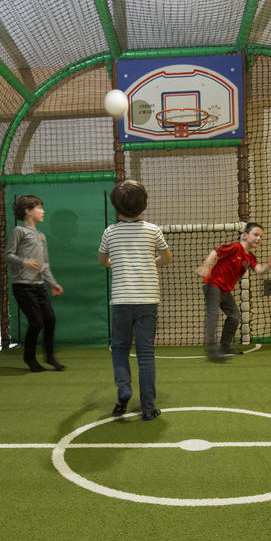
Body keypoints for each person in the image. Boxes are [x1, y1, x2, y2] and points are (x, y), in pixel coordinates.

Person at [98, 180, 172, 421]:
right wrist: (151, 262)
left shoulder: (110, 232)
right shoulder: (153, 230)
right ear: (144, 204)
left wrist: (114, 263)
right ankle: (148, 407)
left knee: (119, 348)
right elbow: (166, 257)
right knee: (146, 354)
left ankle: (124, 388)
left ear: (116, 207)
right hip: (148, 300)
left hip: (121, 300)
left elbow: (102, 261)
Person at [5, 195, 65, 372]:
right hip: (22, 287)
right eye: (39, 207)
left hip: (39, 286)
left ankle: (50, 356)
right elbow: (8, 255)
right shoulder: (19, 231)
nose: (43, 211)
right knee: (36, 322)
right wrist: (24, 262)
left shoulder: (41, 236)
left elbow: (44, 265)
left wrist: (52, 283)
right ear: (28, 211)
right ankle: (29, 358)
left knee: (50, 319)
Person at [196, 223, 271, 359]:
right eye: (255, 235)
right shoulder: (235, 247)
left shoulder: (250, 257)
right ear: (244, 235)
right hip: (212, 284)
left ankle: (224, 347)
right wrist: (205, 267)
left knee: (234, 316)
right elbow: (215, 252)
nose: (258, 238)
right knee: (213, 313)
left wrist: (266, 268)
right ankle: (212, 349)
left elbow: (259, 270)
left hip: (224, 290)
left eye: (261, 236)